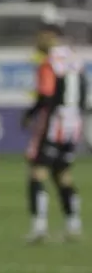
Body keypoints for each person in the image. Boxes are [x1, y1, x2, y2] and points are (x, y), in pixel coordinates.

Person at [22, 12, 83, 244]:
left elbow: (46, 94)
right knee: (63, 173)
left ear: (49, 34)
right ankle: (73, 225)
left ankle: (39, 227)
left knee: (37, 172)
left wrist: (30, 114)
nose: (37, 39)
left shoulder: (49, 62)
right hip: (73, 124)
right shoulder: (74, 58)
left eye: (40, 34)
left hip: (54, 122)